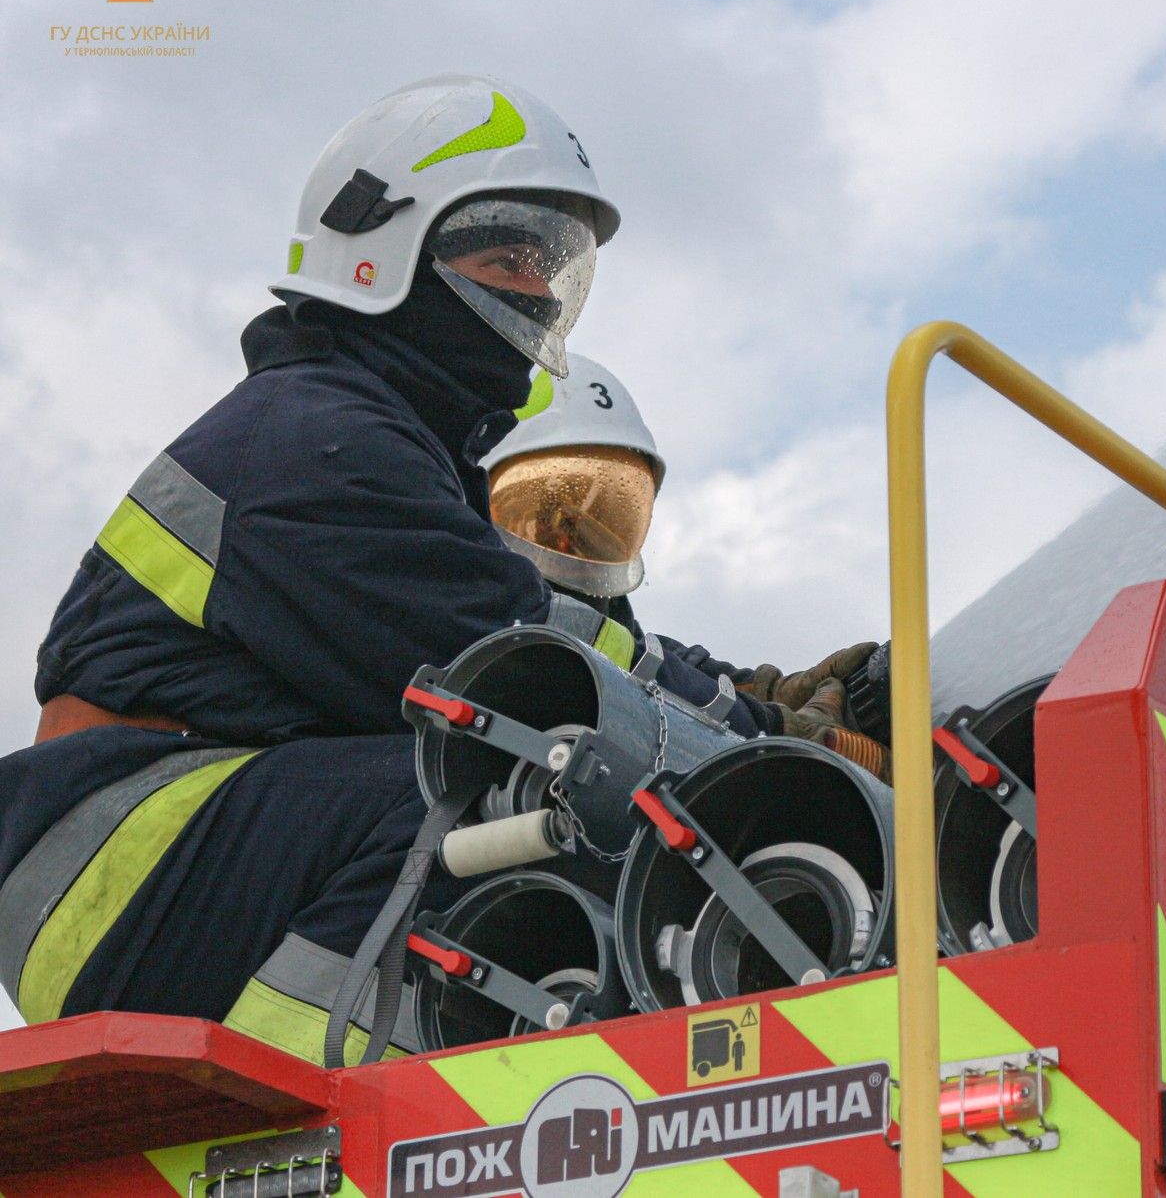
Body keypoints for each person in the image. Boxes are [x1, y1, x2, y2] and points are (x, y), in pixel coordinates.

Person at [0, 74, 763, 1061]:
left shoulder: (376, 440)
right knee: (499, 776)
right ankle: (317, 1100)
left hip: (174, 848)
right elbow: (518, 662)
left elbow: (545, 620)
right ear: (384, 249)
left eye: (549, 263)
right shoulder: (313, 441)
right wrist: (755, 730)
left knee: (530, 774)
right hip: (108, 868)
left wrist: (744, 694)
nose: (534, 290)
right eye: (507, 253)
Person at [481, 353, 887, 776]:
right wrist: (772, 727)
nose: (568, 536)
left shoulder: (601, 626)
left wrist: (771, 691)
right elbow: (616, 670)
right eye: (540, 511)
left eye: (605, 510)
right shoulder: (496, 620)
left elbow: (644, 657)